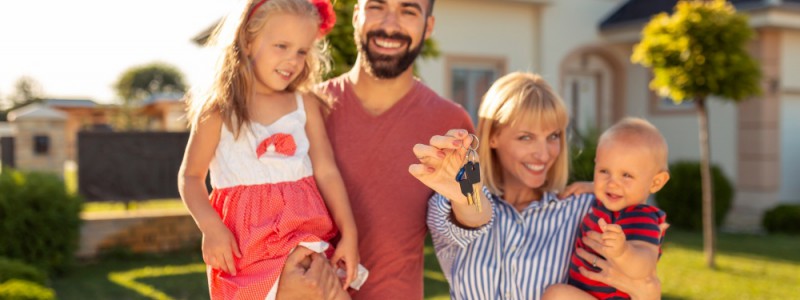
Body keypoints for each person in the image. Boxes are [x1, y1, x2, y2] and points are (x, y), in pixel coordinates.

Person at [275, 0, 474, 298]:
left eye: (408, 10)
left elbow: (480, 216)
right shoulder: (302, 110)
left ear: (428, 27)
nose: (390, 24)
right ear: (357, 16)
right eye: (377, 7)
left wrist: (566, 195)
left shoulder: (453, 124)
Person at [410, 72, 664, 300]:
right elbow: (474, 213)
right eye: (526, 137)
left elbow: (642, 271)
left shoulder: (584, 207)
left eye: (553, 136)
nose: (543, 154)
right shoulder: (449, 202)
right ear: (494, 137)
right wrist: (468, 195)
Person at [177, 0, 363, 299]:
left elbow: (327, 171)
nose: (292, 59)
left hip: (304, 235)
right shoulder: (219, 111)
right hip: (247, 247)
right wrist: (211, 227)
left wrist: (350, 233)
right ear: (247, 42)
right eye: (281, 46)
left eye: (302, 51)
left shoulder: (306, 105)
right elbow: (190, 177)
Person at [543, 117, 669, 300]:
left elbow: (646, 264)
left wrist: (623, 252)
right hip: (588, 293)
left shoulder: (641, 217)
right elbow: (605, 186)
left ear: (656, 182)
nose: (612, 184)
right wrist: (592, 186)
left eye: (626, 175)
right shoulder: (604, 204)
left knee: (556, 295)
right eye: (604, 171)